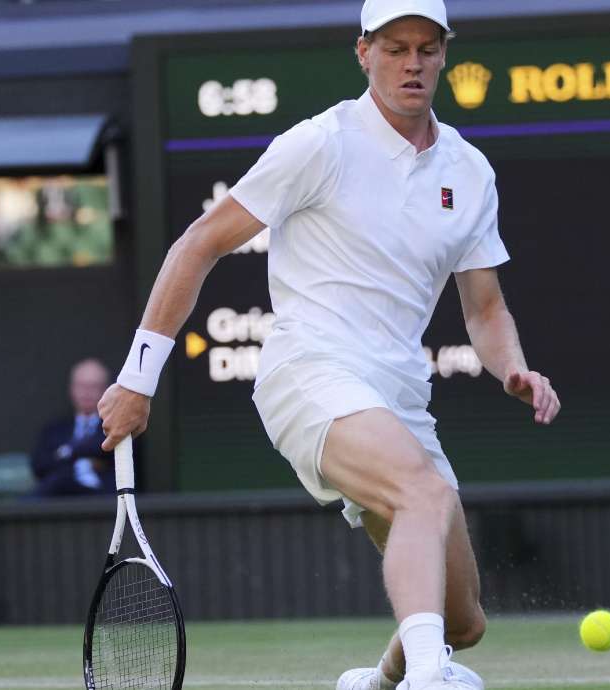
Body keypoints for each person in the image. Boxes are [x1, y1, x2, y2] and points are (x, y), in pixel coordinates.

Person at [96, 1, 560, 688]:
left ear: (444, 55)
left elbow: (485, 309)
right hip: (308, 372)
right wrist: (138, 379)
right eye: (396, 46)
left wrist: (512, 366)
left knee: (464, 621)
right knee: (421, 491)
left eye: (427, 48)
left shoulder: (470, 172)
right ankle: (432, 680)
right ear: (364, 52)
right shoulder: (319, 143)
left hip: (399, 397)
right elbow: (197, 245)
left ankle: (381, 680)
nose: (412, 62)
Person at [30, 358, 115, 497]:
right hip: (60, 503)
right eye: (81, 386)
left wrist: (66, 452)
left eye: (93, 386)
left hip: (106, 502)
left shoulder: (116, 426)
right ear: (72, 389)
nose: (87, 392)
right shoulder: (54, 429)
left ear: (106, 390)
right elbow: (39, 465)